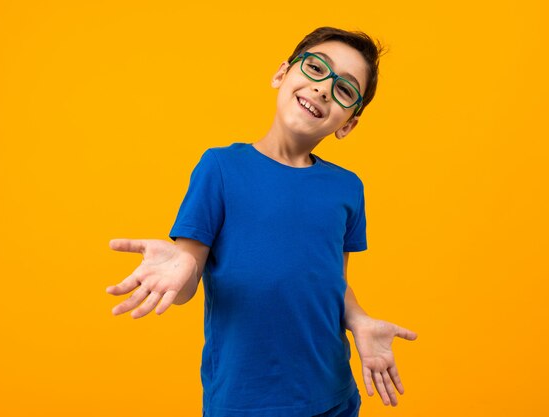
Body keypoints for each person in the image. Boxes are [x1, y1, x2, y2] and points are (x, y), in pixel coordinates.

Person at [106, 26, 418, 417]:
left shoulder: (347, 188)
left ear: (347, 124)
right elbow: (183, 285)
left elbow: (331, 280)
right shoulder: (220, 168)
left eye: (343, 90)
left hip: (332, 397)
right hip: (244, 400)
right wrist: (181, 266)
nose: (324, 88)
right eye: (317, 68)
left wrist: (359, 321)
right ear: (281, 74)